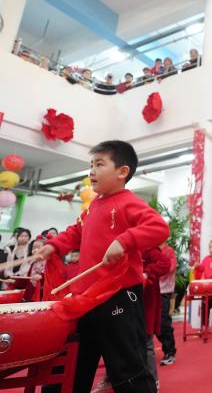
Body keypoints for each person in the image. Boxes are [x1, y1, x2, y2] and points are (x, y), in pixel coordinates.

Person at [40, 140, 170, 393]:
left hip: (118, 297)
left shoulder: (128, 201)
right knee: (72, 366)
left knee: (128, 370)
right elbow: (75, 232)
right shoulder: (93, 207)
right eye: (91, 165)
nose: (92, 171)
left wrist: (124, 240)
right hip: (86, 299)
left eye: (99, 164)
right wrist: (54, 246)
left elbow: (158, 227)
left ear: (122, 172)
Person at [142, 245, 170, 388]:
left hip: (146, 301)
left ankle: (153, 381)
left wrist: (147, 274)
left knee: (146, 342)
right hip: (129, 300)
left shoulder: (149, 248)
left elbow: (165, 263)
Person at [157, 242, 177, 365]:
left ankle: (170, 351)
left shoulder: (169, 251)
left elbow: (170, 268)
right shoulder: (149, 249)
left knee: (164, 322)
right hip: (150, 290)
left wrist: (152, 272)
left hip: (164, 291)